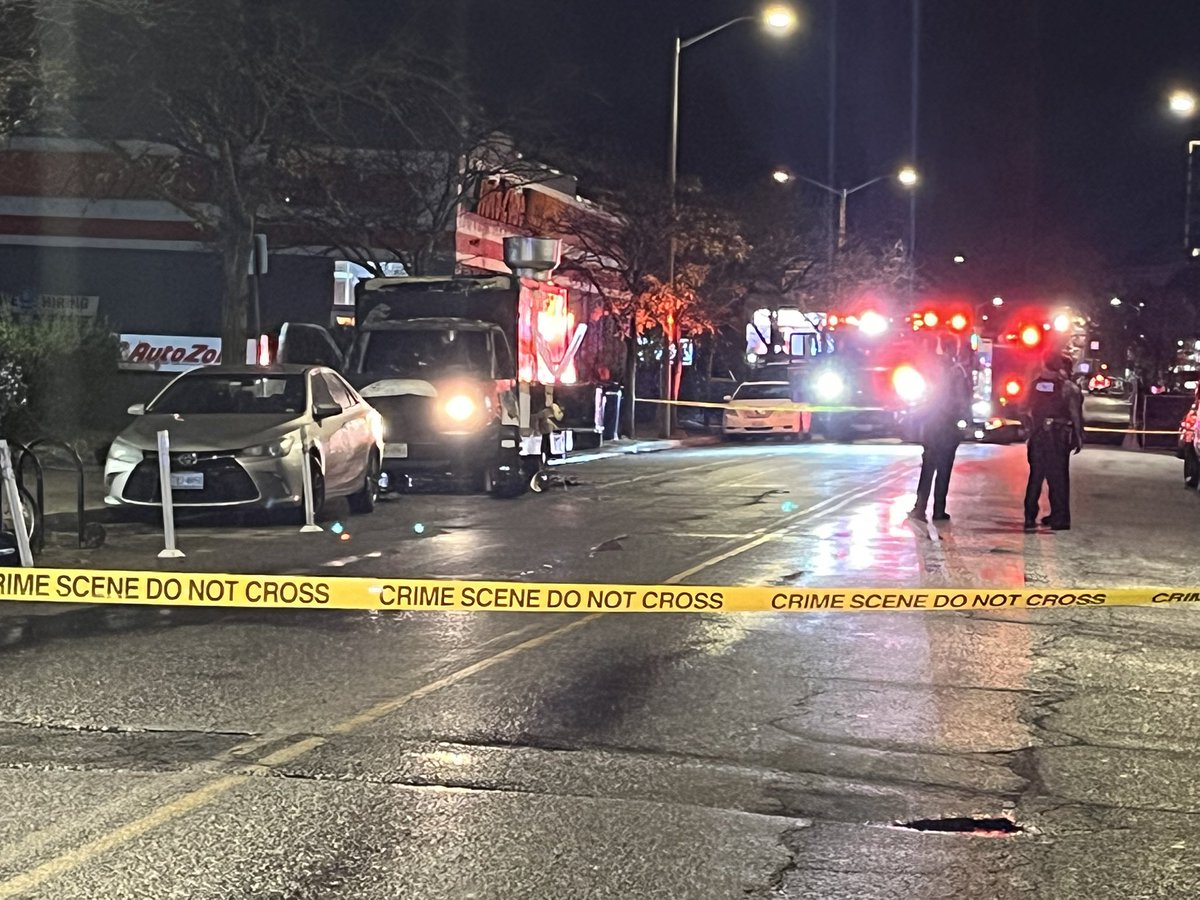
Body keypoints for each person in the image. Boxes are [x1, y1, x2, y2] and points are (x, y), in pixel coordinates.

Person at [908, 342, 973, 523]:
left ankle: (920, 508)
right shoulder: (957, 373)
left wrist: (918, 418)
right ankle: (938, 510)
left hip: (934, 426)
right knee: (944, 469)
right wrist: (966, 422)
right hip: (948, 427)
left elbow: (925, 400)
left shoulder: (933, 373)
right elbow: (963, 401)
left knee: (928, 467)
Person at [1022, 351, 1084, 531]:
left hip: (1038, 436)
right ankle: (1060, 518)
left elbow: (1022, 409)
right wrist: (1079, 437)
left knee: (1036, 477)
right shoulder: (1068, 388)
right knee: (1058, 479)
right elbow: (1075, 415)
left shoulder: (1034, 386)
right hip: (1058, 437)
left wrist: (1030, 429)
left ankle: (1029, 517)